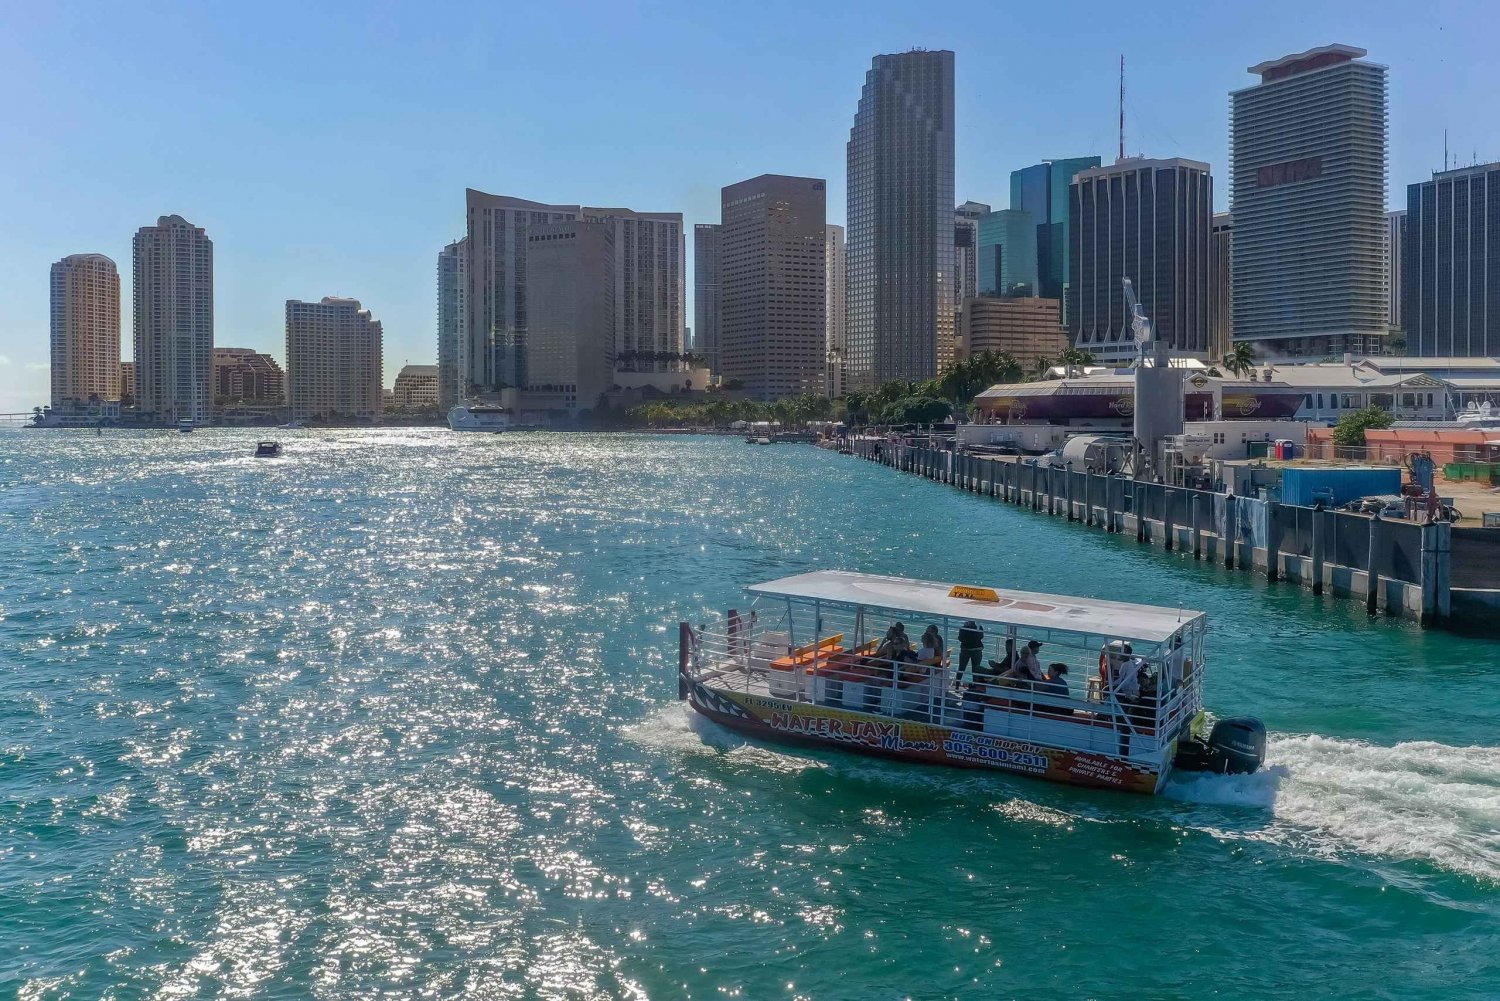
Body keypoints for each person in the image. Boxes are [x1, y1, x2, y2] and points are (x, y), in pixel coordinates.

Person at [955, 620, 985, 690]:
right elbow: (981, 636)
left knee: (961, 668)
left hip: (965, 650)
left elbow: (960, 638)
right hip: (977, 650)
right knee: (975, 669)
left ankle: (957, 686)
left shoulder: (964, 628)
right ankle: (975, 687)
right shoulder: (979, 627)